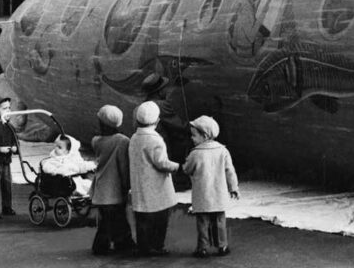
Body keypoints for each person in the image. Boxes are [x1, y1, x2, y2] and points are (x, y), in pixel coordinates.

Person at [181, 115, 240, 258]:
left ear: (205, 135)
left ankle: (203, 248)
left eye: (194, 135)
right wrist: (233, 188)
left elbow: (186, 169)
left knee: (202, 221)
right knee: (220, 220)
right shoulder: (223, 151)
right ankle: (223, 246)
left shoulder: (195, 153)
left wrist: (185, 162)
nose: (191, 138)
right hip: (219, 195)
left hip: (203, 196)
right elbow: (230, 171)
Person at [127, 101, 180, 256]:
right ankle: (157, 246)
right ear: (157, 121)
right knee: (160, 219)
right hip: (156, 188)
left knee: (142, 219)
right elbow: (162, 163)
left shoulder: (134, 138)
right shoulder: (155, 140)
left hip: (139, 185)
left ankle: (143, 246)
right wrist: (176, 166)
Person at [89, 105, 135, 256]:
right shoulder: (123, 141)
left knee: (107, 220)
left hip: (100, 188)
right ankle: (119, 243)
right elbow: (123, 166)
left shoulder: (96, 141)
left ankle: (111, 243)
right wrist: (126, 185)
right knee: (116, 218)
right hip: (114, 189)